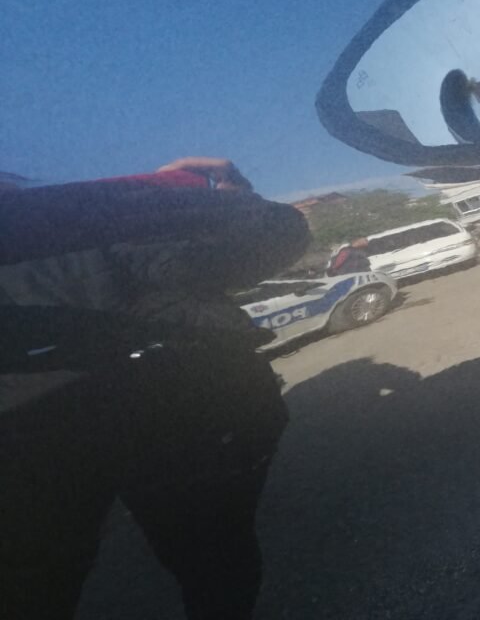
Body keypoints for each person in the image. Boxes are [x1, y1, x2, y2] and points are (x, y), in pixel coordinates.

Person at [0, 157, 310, 620]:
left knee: (36, 583)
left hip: (38, 443)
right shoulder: (94, 217)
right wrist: (223, 205)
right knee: (213, 559)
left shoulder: (85, 218)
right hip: (179, 414)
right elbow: (268, 244)